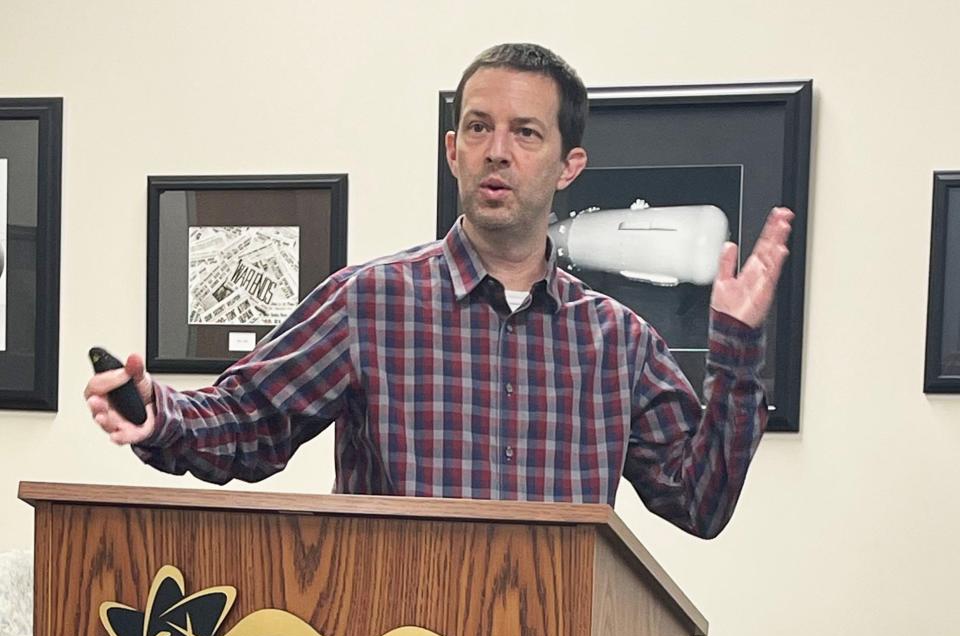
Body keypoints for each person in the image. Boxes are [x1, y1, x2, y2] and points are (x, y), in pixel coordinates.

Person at [85, 42, 792, 538]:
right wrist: (159, 415)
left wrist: (735, 351)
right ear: (452, 149)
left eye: (525, 133)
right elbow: (248, 422)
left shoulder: (619, 342)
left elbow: (698, 502)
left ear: (568, 165)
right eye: (478, 127)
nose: (497, 150)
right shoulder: (370, 303)